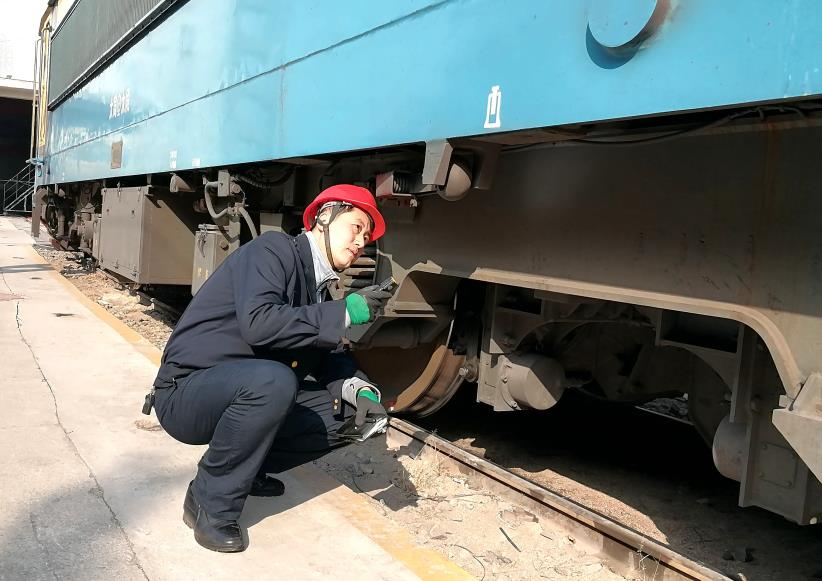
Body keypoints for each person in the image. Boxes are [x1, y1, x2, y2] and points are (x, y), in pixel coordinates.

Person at [149, 184, 393, 552]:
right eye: (356, 226)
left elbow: (324, 355)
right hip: (186, 391)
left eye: (366, 235)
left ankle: (248, 471)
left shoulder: (320, 290)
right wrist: (344, 313)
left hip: (241, 390)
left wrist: (359, 388)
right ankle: (209, 503)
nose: (361, 240)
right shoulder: (274, 250)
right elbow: (258, 323)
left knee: (347, 414)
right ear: (324, 216)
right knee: (273, 381)